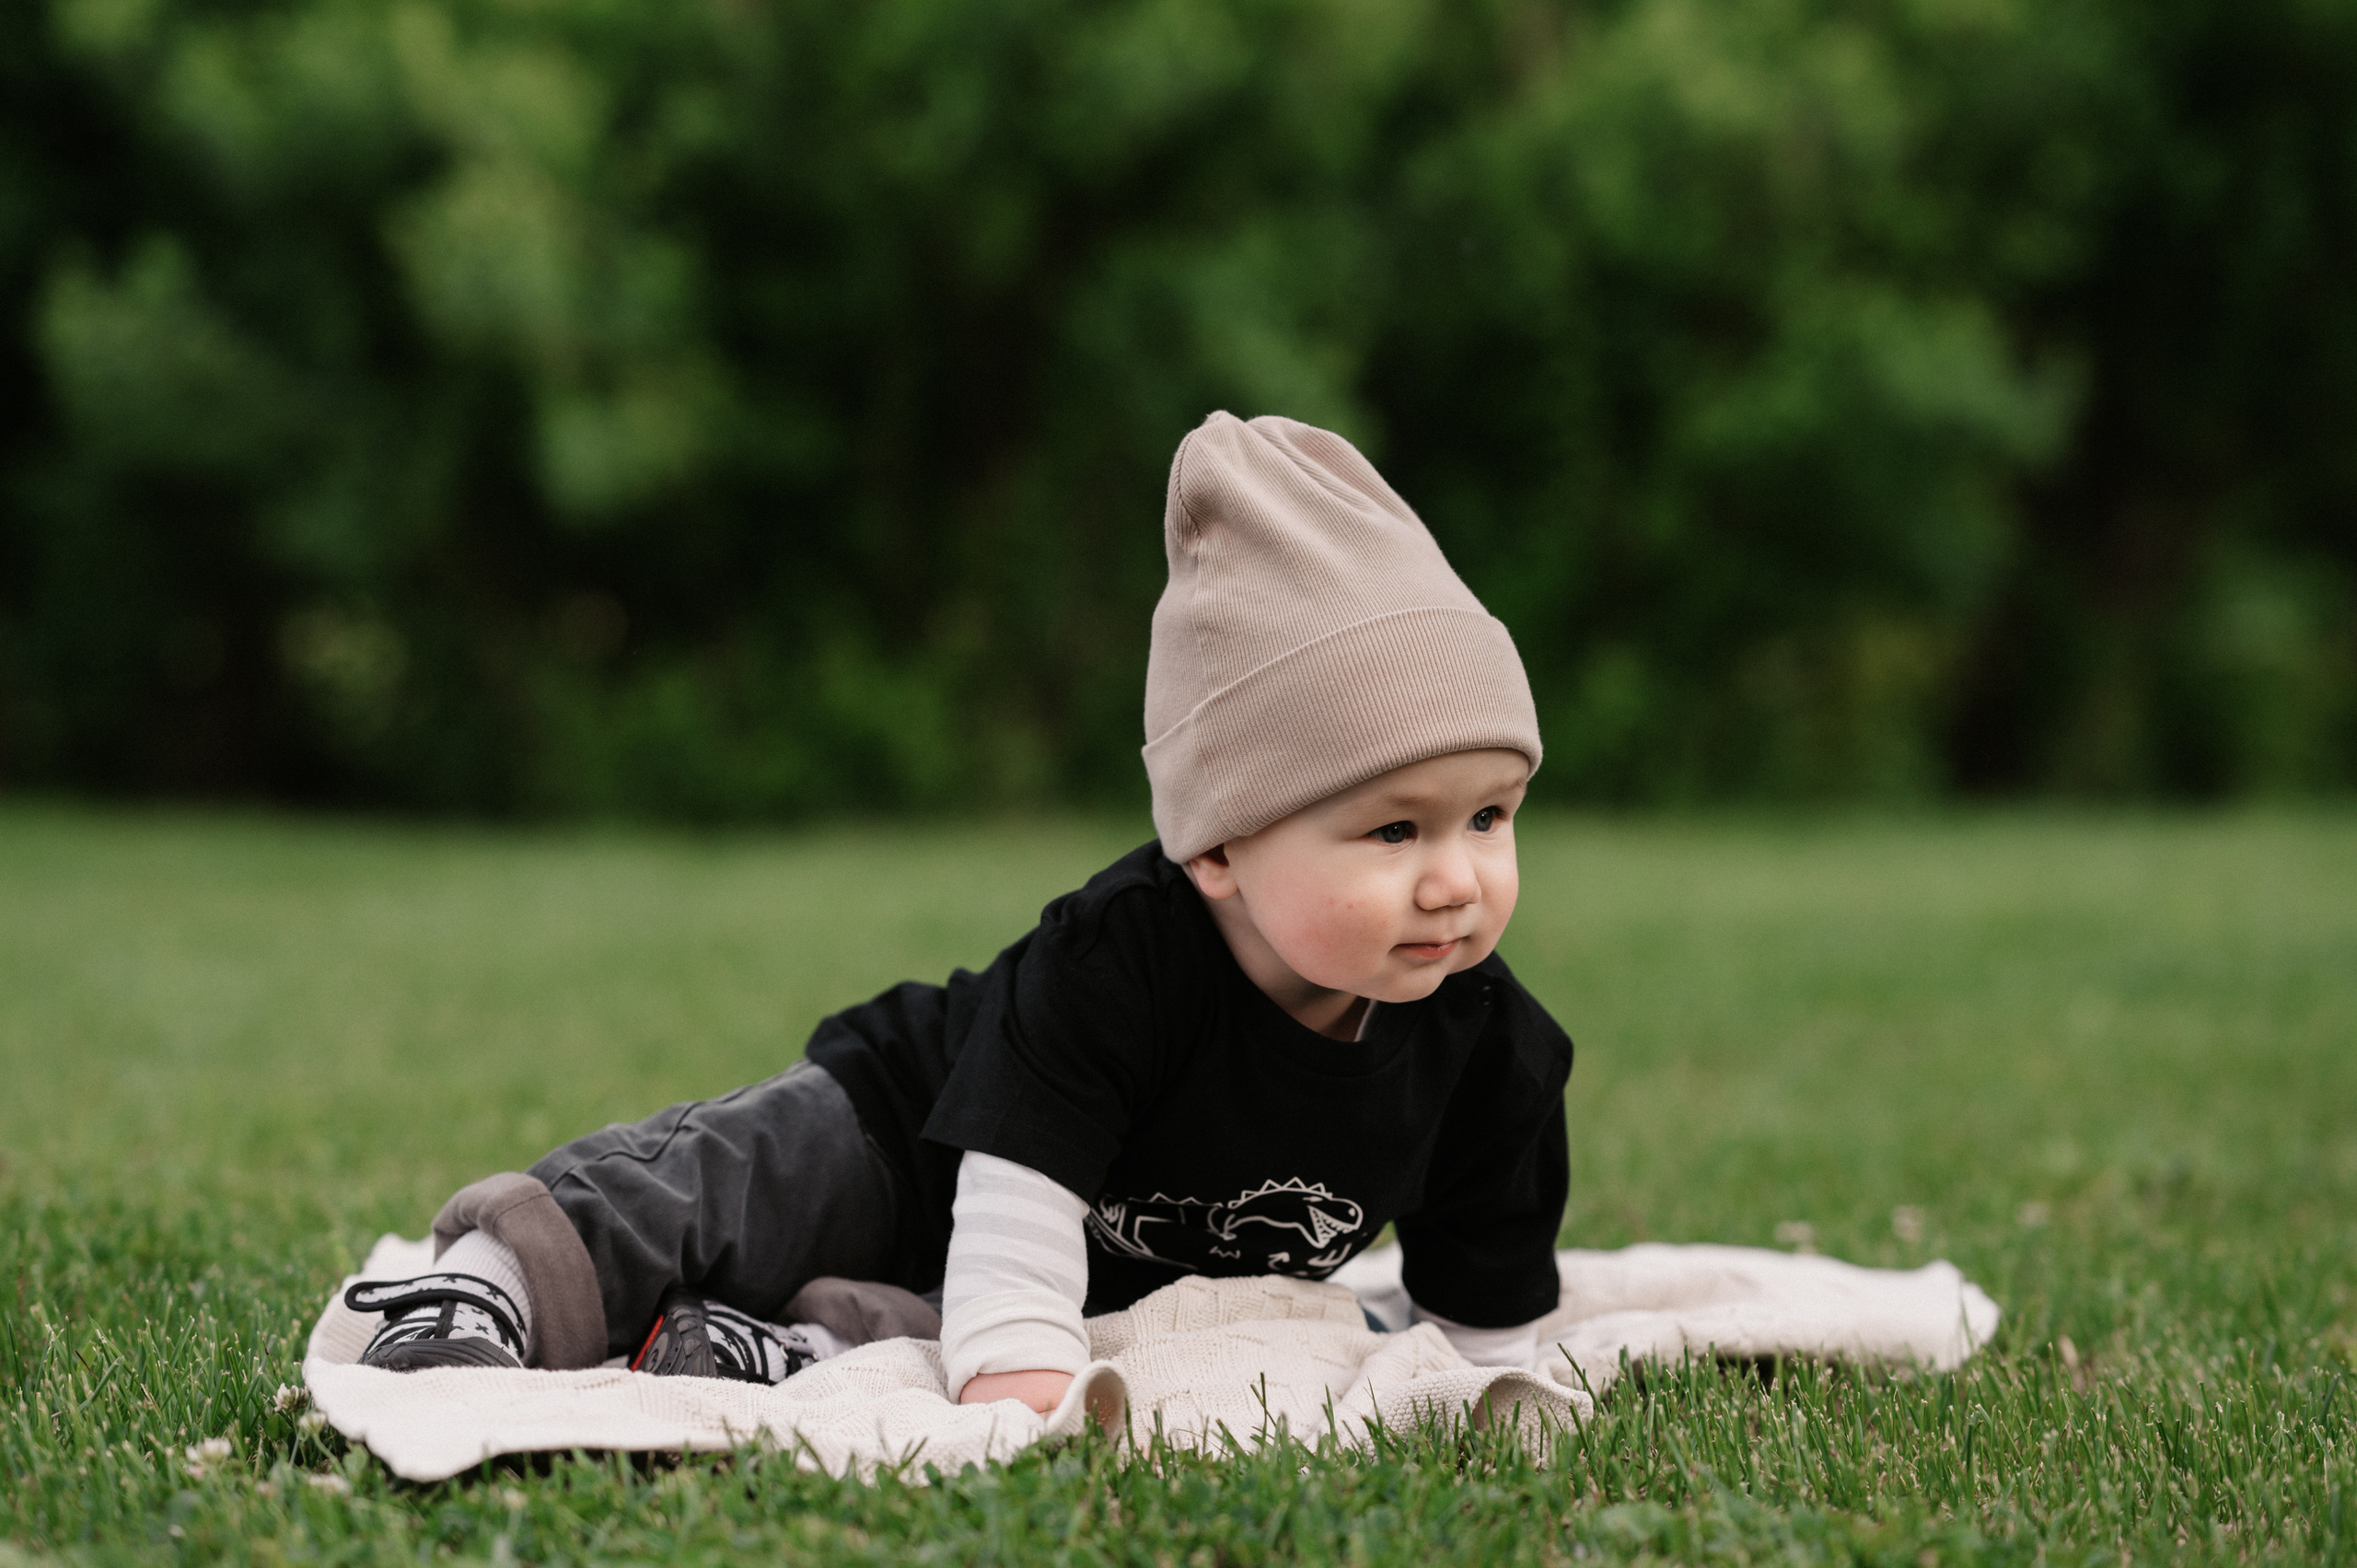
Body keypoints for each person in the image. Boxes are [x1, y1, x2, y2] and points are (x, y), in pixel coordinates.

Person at [344, 412, 1574, 1415]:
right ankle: (498, 1280)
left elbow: (1482, 1324)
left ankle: (781, 1353)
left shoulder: (1489, 1047)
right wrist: (1019, 1362)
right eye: (1395, 829)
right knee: (741, 1180)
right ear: (1218, 848)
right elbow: (1018, 1190)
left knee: (1109, 1331)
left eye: (1491, 817)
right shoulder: (1120, 959)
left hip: (1084, 1272)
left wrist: (1470, 1373)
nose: (1455, 878)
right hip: (918, 1136)